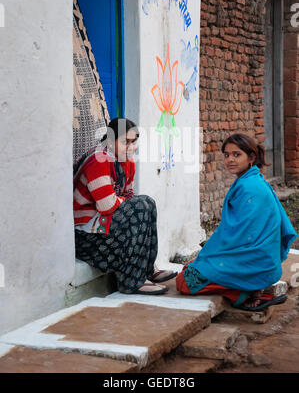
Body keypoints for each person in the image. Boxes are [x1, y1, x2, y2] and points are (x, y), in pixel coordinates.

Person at [176, 133, 298, 311]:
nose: (230, 160)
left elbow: (238, 236)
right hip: (263, 262)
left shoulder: (249, 187)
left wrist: (208, 255)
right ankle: (250, 290)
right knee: (192, 267)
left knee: (185, 281)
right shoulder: (253, 180)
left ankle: (242, 295)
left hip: (256, 264)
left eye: (236, 154)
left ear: (251, 157)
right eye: (226, 155)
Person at [73, 117, 177, 295]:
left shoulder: (127, 161)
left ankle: (147, 269)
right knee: (139, 206)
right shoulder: (99, 160)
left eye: (133, 142)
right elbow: (107, 205)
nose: (130, 147)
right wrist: (122, 201)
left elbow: (125, 195)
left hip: (103, 224)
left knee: (147, 204)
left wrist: (120, 201)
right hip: (85, 235)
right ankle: (133, 282)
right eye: (124, 142)